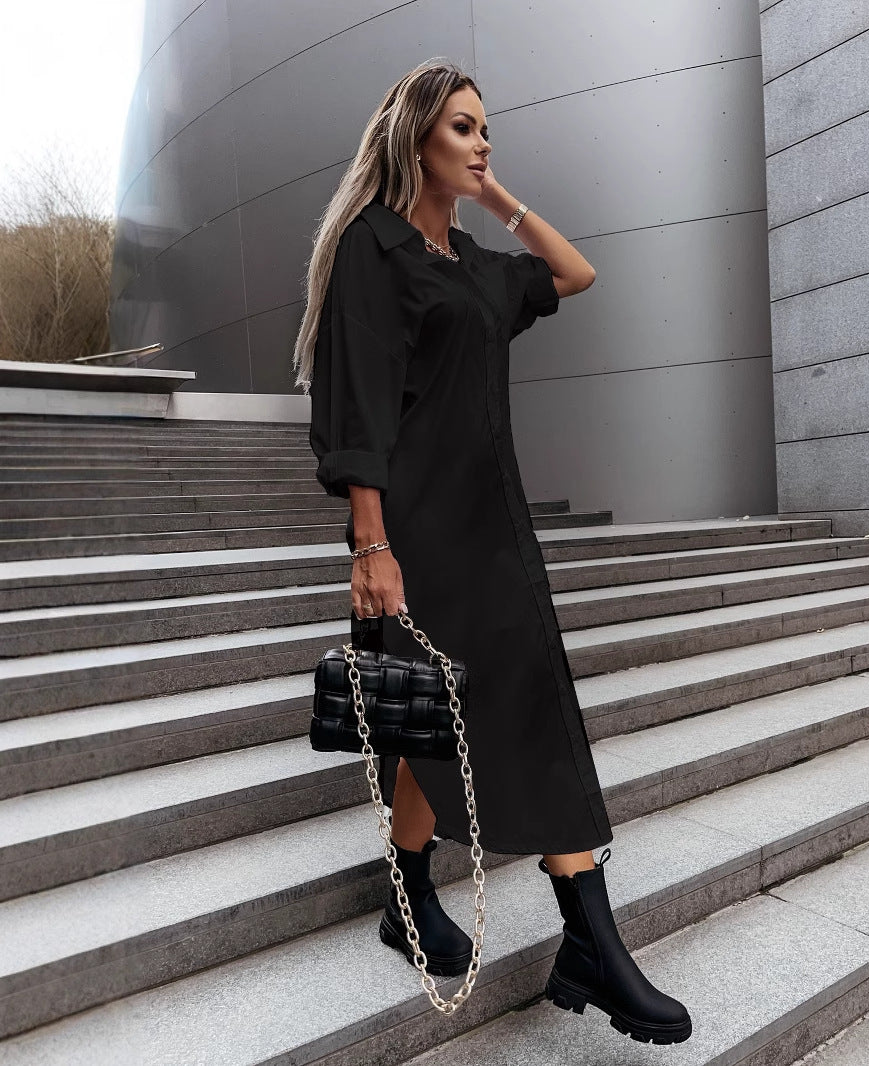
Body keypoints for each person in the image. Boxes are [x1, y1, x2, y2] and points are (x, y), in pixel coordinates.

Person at [293, 58, 691, 1044]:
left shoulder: (474, 264)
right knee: (453, 710)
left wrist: (498, 198)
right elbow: (357, 403)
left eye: (487, 131)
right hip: (420, 529)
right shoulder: (372, 248)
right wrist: (372, 543)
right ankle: (580, 936)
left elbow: (573, 272)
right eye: (464, 129)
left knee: (474, 708)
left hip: (496, 525)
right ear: (416, 135)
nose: (481, 144)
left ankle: (434, 899)